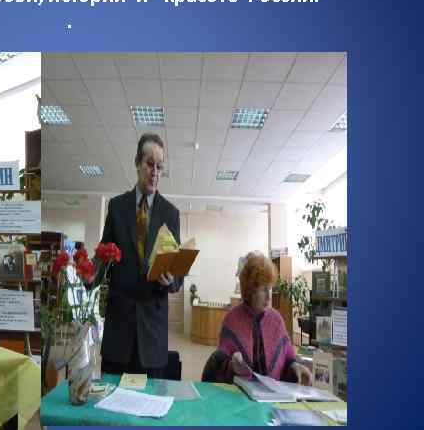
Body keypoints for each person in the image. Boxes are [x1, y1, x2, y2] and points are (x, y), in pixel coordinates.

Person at [98, 133, 183, 378]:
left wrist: (172, 280)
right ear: (137, 163)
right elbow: (104, 255)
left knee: (149, 398)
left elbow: (177, 273)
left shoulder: (171, 214)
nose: (154, 172)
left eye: (159, 167)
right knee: (112, 397)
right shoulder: (117, 207)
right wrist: (88, 275)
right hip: (119, 326)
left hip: (152, 330)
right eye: (149, 164)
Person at [203, 252, 312, 385]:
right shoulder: (232, 320)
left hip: (272, 393)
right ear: (250, 290)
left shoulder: (276, 320)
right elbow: (218, 367)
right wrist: (231, 366)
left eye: (270, 289)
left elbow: (288, 356)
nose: (269, 297)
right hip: (239, 392)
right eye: (264, 290)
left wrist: (295, 365)